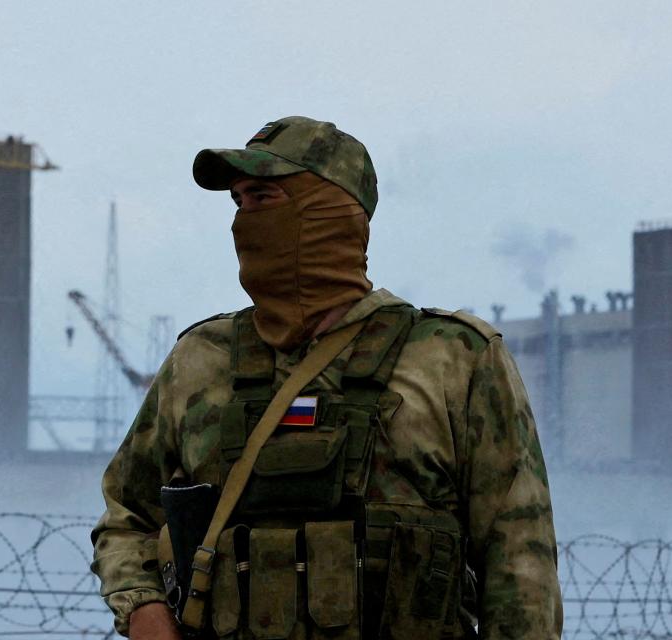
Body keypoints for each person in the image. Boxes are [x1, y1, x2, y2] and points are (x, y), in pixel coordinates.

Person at [90, 116, 561, 639]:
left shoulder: (453, 358)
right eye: (238, 202)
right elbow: (127, 516)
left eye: (263, 198)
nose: (244, 220)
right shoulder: (202, 358)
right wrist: (144, 610)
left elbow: (520, 563)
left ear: (329, 211)